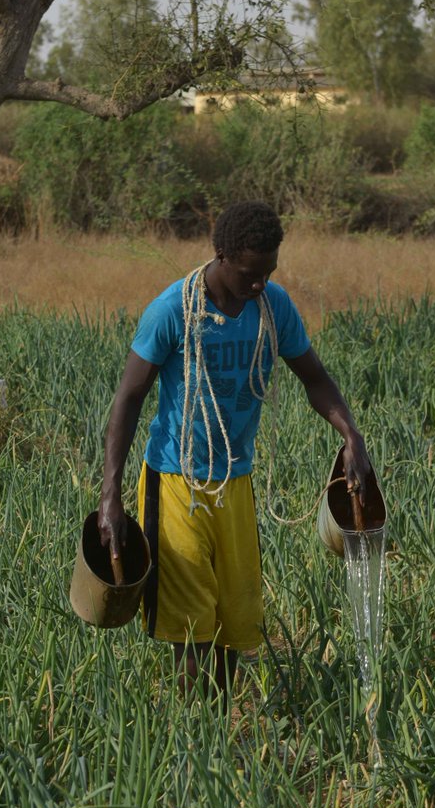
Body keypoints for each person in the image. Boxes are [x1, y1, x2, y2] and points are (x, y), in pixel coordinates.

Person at [97, 201, 373, 708]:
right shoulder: (174, 310)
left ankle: (217, 729)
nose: (259, 284)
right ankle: (193, 738)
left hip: (235, 481)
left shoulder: (272, 308)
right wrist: (110, 494)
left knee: (233, 621)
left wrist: (350, 434)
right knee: (192, 626)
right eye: (250, 273)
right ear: (221, 256)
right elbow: (129, 398)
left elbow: (314, 378)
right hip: (175, 481)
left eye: (269, 272)